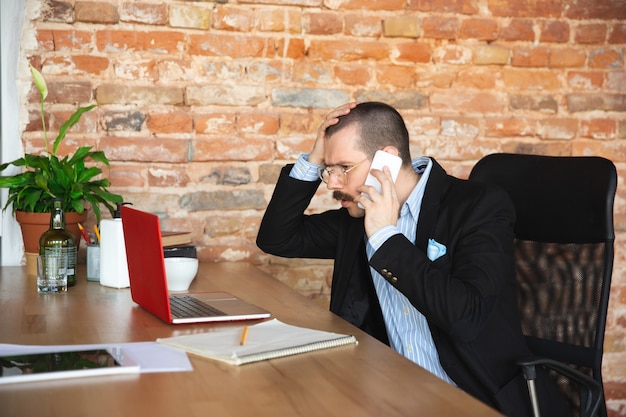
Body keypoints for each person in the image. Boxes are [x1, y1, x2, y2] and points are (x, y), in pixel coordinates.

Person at [256, 101, 572, 417]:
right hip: (391, 392)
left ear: (387, 161)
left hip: (474, 396)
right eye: (329, 169)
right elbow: (277, 238)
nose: (332, 183)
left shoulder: (477, 207)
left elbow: (466, 317)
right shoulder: (355, 218)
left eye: (344, 168)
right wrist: (314, 158)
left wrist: (384, 237)